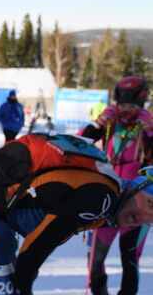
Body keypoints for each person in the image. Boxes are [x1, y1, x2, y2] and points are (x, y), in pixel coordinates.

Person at [0, 132, 153, 295]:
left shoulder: (106, 199)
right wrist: (24, 284)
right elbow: (42, 240)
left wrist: (25, 280)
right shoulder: (102, 197)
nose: (145, 216)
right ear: (137, 185)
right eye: (150, 204)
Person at [80, 76, 152, 295]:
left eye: (131, 106)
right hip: (107, 199)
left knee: (129, 259)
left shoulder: (146, 125)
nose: (125, 110)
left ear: (141, 105)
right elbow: (82, 142)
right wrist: (98, 124)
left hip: (137, 204)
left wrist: (150, 130)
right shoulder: (110, 124)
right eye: (122, 105)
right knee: (95, 260)